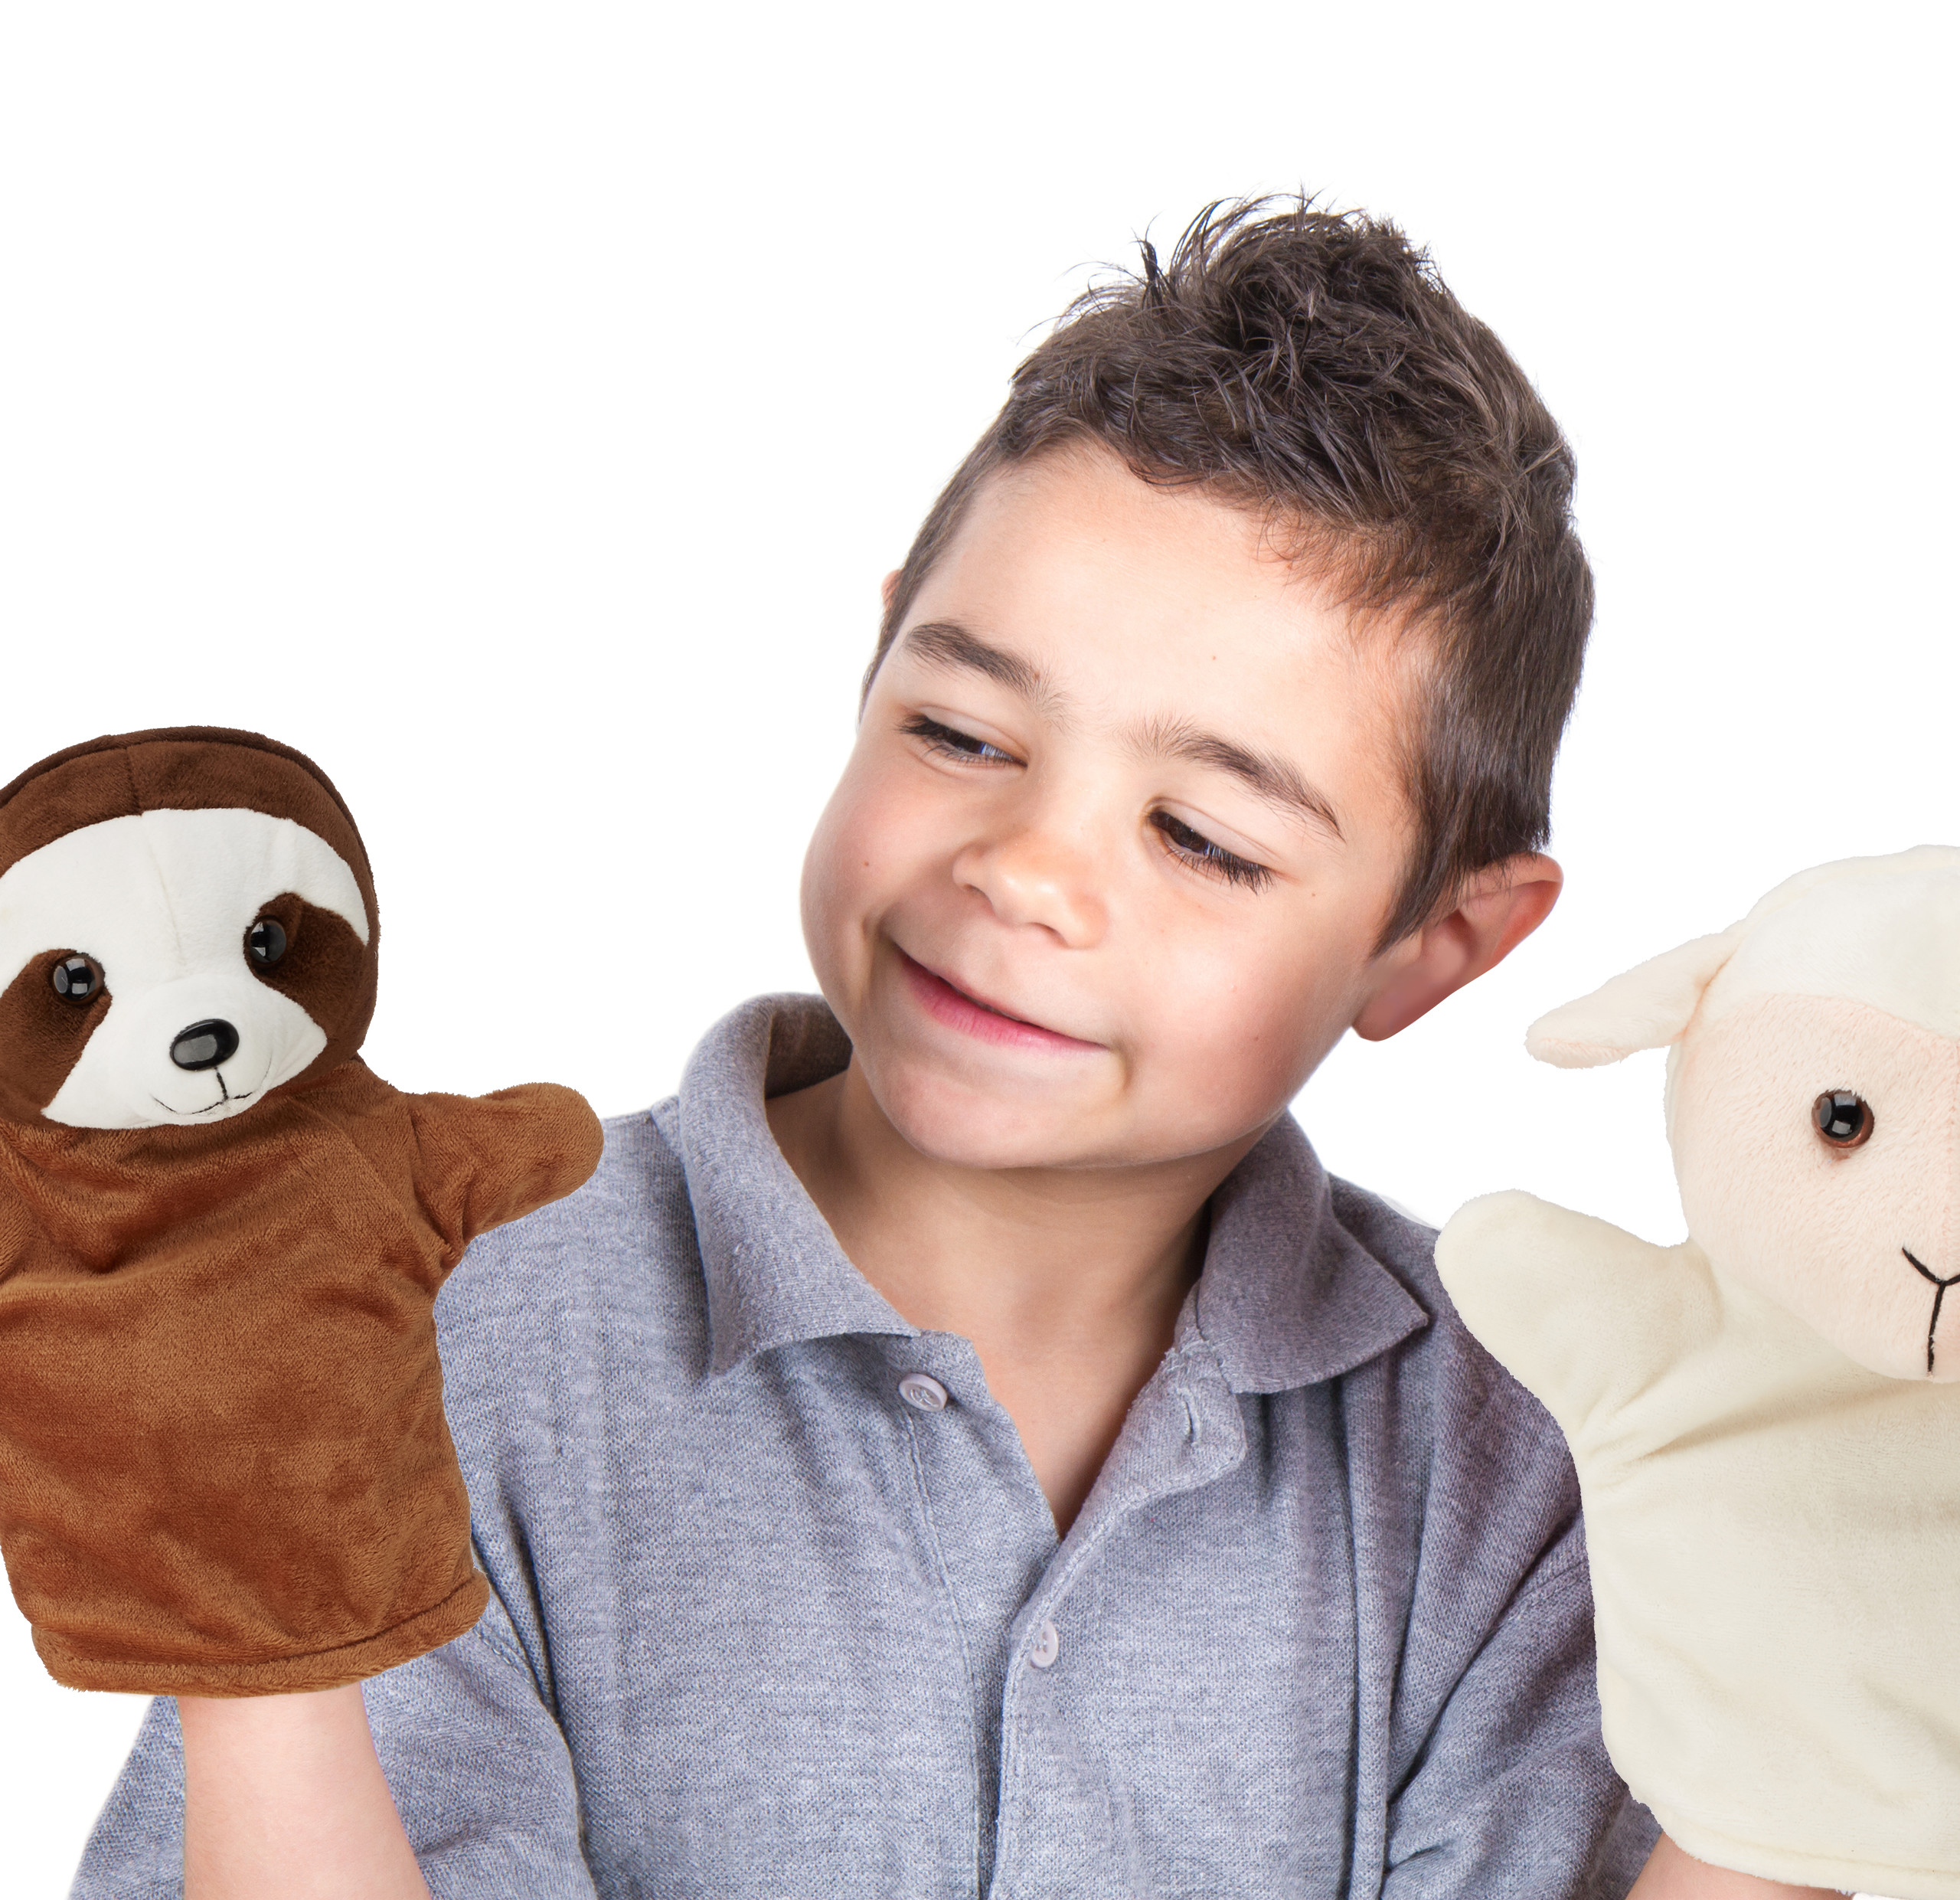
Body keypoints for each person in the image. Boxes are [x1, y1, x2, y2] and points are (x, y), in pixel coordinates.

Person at [69, 201, 1836, 1900]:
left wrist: (1832, 1692)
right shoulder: (433, 1329)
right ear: (877, 651)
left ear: (1436, 940)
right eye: (960, 729)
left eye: (1202, 836)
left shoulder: (1534, 1457)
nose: (1025, 871)